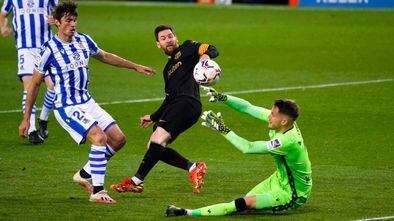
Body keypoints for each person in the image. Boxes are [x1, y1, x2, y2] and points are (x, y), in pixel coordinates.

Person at [18, 1, 155, 204]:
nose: (72, 24)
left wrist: (135, 66)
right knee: (99, 138)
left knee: (118, 139)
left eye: (74, 20)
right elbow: (35, 84)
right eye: (67, 21)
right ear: (56, 22)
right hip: (67, 106)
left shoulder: (83, 40)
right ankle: (98, 192)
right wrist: (26, 118)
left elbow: (106, 56)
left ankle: (84, 174)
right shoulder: (48, 49)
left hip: (87, 102)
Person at [166, 86, 312, 216]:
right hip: (279, 179)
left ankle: (188, 212)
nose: (269, 116)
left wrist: (223, 129)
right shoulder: (284, 124)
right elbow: (248, 108)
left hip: (293, 192)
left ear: (284, 121)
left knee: (242, 204)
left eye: (273, 114)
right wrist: (222, 97)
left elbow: (248, 148)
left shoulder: (286, 142)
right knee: (244, 207)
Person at [110, 25, 219, 194]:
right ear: (158, 44)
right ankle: (194, 168)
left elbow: (211, 48)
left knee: (157, 141)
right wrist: (153, 117)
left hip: (187, 103)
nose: (168, 40)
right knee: (153, 146)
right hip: (178, 105)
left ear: (176, 37)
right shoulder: (167, 70)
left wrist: (204, 58)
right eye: (163, 38)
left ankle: (135, 181)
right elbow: (169, 98)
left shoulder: (188, 47)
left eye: (170, 36)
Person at [1, 0, 58, 144]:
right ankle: (31, 129)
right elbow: (3, 14)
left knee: (53, 85)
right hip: (25, 48)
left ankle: (43, 120)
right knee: (29, 86)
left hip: (46, 47)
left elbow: (59, 12)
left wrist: (56, 20)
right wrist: (3, 27)